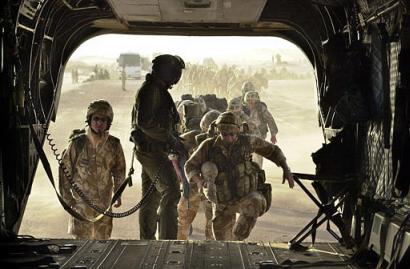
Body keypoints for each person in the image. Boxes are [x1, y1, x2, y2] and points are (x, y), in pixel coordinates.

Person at [185, 112, 294, 240]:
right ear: (219, 131)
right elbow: (190, 166)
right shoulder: (209, 146)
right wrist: (199, 181)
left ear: (238, 131)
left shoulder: (248, 142)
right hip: (222, 202)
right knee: (223, 243)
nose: (229, 138)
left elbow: (273, 151)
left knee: (255, 203)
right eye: (225, 135)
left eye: (232, 135)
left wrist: (286, 169)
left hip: (246, 197)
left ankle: (238, 238)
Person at [131, 54, 185, 240]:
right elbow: (145, 123)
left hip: (151, 150)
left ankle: (147, 239)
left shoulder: (156, 89)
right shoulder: (152, 90)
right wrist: (170, 139)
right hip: (152, 152)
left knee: (150, 196)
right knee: (171, 191)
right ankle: (167, 241)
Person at [59, 100, 126, 240]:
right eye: (96, 119)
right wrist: (67, 198)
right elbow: (64, 172)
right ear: (89, 120)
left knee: (102, 243)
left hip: (104, 204)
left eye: (103, 120)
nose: (99, 123)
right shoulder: (77, 143)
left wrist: (118, 193)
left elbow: (119, 171)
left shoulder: (114, 144)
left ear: (108, 122)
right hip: (81, 205)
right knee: (80, 244)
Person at [177, 110, 221, 240]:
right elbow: (176, 145)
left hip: (211, 189)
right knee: (183, 219)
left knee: (213, 225)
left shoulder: (226, 143)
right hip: (197, 186)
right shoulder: (192, 138)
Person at [244, 91, 279, 168]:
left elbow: (270, 120)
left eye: (252, 101)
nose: (250, 104)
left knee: (258, 152)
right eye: (248, 101)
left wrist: (273, 134)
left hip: (260, 134)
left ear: (256, 102)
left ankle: (258, 169)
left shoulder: (261, 109)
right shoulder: (244, 110)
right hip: (248, 134)